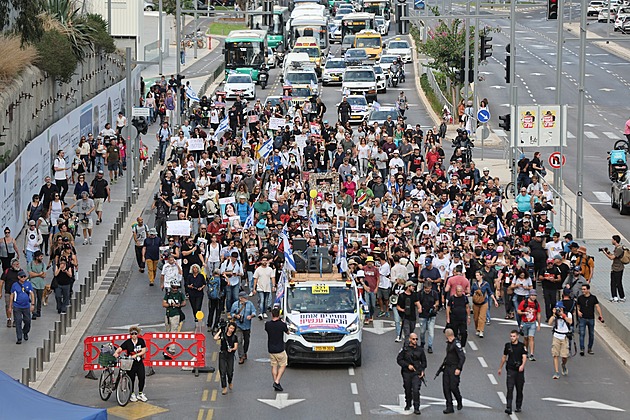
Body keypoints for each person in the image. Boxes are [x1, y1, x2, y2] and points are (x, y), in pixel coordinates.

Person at [113, 326, 148, 402]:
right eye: (132, 334)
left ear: (137, 334)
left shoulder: (141, 341)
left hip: (139, 362)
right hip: (130, 363)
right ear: (130, 335)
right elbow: (120, 348)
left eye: (135, 333)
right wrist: (116, 352)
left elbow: (144, 350)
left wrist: (136, 355)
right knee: (131, 379)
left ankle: (140, 393)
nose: (134, 335)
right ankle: (132, 394)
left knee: (142, 377)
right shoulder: (128, 342)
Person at [497, 330, 527, 415]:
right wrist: (500, 368)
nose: (512, 338)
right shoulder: (508, 346)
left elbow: (524, 357)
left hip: (519, 371)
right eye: (511, 336)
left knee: (519, 389)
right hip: (510, 369)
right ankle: (508, 407)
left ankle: (518, 406)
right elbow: (504, 357)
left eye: (514, 336)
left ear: (517, 336)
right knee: (510, 389)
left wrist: (522, 365)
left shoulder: (522, 346)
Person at [396, 333, 427, 415]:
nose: (415, 341)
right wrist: (407, 365)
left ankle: (417, 407)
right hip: (407, 373)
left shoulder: (420, 350)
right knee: (408, 389)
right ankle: (408, 403)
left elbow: (424, 362)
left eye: (416, 339)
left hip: (416, 372)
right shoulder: (405, 349)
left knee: (416, 389)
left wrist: (422, 370)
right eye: (413, 339)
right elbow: (399, 360)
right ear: (410, 339)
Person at [441, 328, 466, 414]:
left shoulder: (456, 344)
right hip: (447, 368)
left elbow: (462, 357)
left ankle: (459, 399)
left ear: (448, 335)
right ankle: (449, 406)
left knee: (453, 387)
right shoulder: (449, 343)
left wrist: (459, 368)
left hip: (454, 368)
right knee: (446, 387)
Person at [576, 284, 604, 356]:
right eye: (582, 289)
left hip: (591, 318)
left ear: (588, 290)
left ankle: (589, 348)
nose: (583, 291)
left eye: (584, 289)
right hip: (583, 318)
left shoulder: (593, 298)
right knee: (582, 334)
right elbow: (577, 306)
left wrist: (600, 315)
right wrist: (578, 311)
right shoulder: (580, 298)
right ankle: (582, 348)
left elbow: (597, 306)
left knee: (591, 334)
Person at [265, 307, 288, 391]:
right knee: (283, 364)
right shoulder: (281, 324)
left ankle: (275, 381)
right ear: (279, 315)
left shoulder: (268, 324)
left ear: (272, 314)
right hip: (280, 348)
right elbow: (287, 331)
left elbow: (267, 329)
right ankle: (277, 381)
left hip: (271, 348)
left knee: (274, 365)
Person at [470, 270, 499, 338]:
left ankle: (481, 331)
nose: (476, 277)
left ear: (481, 276)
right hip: (476, 303)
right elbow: (471, 293)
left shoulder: (486, 284)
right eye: (476, 275)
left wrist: (495, 300)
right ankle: (477, 328)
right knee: (476, 318)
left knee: (482, 317)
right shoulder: (474, 284)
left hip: (484, 302)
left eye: (478, 275)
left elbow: (490, 292)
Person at [230, 291, 256, 364]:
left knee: (246, 340)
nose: (246, 299)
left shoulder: (250, 304)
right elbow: (231, 313)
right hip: (238, 325)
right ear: (240, 298)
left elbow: (254, 312)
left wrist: (251, 316)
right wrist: (236, 316)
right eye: (244, 298)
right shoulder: (235, 304)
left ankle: (245, 352)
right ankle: (241, 356)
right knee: (239, 340)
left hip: (247, 326)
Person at [9, 270, 34, 344]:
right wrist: (10, 306)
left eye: (24, 276)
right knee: (18, 321)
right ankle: (19, 337)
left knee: (27, 321)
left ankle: (25, 332)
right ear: (18, 277)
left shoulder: (28, 284)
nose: (23, 278)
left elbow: (32, 293)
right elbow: (12, 295)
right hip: (17, 306)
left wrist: (32, 304)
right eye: (22, 277)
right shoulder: (15, 285)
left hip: (26, 306)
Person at [549, 301, 572, 379]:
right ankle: (556, 371)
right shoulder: (555, 316)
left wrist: (563, 315)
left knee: (564, 356)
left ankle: (563, 364)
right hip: (556, 336)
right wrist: (554, 315)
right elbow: (549, 323)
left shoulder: (568, 314)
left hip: (564, 336)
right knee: (555, 354)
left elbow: (570, 321)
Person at [214, 321, 238, 395]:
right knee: (222, 372)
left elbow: (236, 347)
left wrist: (232, 349)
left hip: (230, 355)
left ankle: (230, 381)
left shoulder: (234, 337)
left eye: (233, 329)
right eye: (230, 328)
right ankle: (224, 387)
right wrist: (220, 331)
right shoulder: (223, 335)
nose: (231, 330)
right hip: (223, 354)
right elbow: (215, 338)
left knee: (230, 372)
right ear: (228, 327)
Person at [517, 289, 541, 361]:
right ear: (529, 295)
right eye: (532, 295)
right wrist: (524, 313)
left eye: (535, 295)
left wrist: (539, 324)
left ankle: (532, 354)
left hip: (532, 323)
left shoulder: (536, 304)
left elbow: (538, 314)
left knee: (531, 337)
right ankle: (525, 350)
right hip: (525, 322)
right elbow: (518, 311)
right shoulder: (524, 303)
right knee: (525, 338)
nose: (533, 297)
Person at [162, 280, 186, 354]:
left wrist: (180, 305)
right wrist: (170, 305)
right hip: (168, 314)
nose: (175, 289)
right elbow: (163, 304)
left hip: (176, 314)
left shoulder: (180, 294)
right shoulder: (168, 294)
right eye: (173, 287)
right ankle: (170, 345)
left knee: (173, 331)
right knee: (168, 331)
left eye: (176, 287)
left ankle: (172, 349)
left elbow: (184, 302)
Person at [417, 281, 439, 353]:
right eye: (426, 288)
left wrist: (435, 306)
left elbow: (437, 302)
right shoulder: (420, 293)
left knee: (431, 332)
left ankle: (430, 346)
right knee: (422, 331)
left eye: (428, 289)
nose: (427, 290)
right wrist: (419, 307)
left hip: (431, 315)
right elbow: (417, 301)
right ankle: (422, 343)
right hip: (423, 314)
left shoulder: (434, 293)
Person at [602, 235, 625, 302]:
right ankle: (614, 296)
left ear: (615, 240)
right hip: (615, 268)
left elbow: (611, 258)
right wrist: (608, 252)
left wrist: (605, 253)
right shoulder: (617, 248)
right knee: (613, 282)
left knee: (618, 282)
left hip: (618, 268)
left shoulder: (619, 249)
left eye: (612, 240)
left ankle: (621, 296)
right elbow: (613, 255)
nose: (611, 241)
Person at [27, 251, 47, 320]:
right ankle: (34, 312)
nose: (42, 258)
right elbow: (30, 274)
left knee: (39, 298)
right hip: (33, 284)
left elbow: (44, 275)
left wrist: (35, 274)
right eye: (40, 256)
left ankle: (39, 310)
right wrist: (39, 274)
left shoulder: (43, 265)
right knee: (34, 297)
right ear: (36, 257)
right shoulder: (31, 264)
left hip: (41, 284)